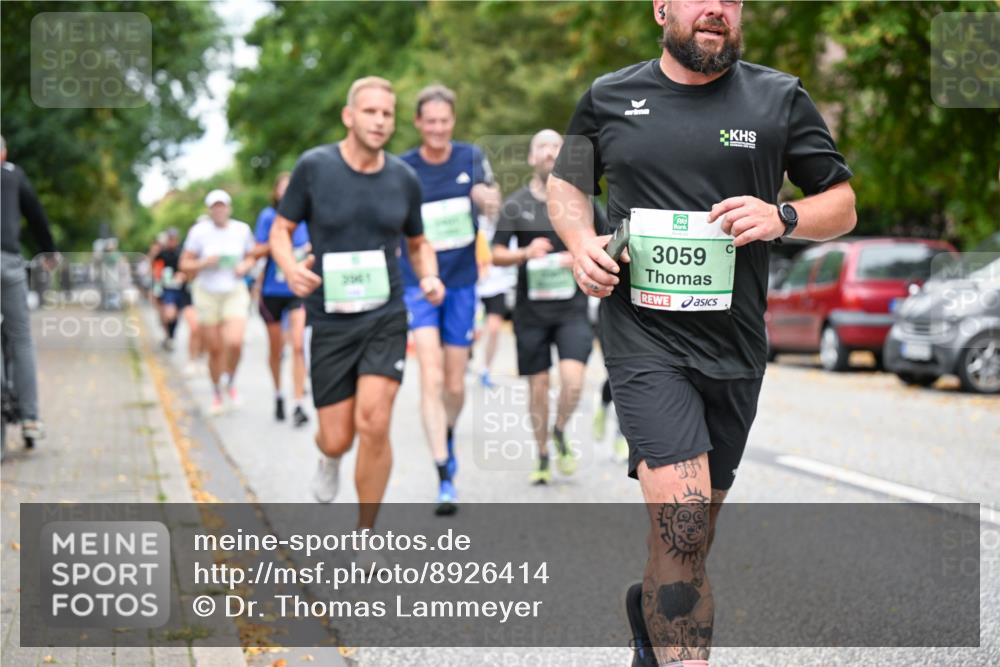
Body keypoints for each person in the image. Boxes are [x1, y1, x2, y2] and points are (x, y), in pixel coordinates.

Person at [547, 2, 857, 665]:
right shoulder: (609, 97)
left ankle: (649, 617)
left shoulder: (779, 99)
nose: (716, 8)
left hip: (736, 346)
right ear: (662, 7)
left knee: (689, 538)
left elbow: (842, 202)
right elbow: (566, 187)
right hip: (644, 338)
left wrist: (783, 214)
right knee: (683, 522)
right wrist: (580, 244)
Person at [270, 76, 444, 537]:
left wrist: (427, 275)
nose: (380, 121)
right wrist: (289, 268)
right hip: (329, 319)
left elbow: (418, 242)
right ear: (349, 116)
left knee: (375, 419)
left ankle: (366, 530)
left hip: (384, 315)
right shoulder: (315, 167)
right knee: (337, 436)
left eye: (387, 113)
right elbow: (281, 231)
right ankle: (328, 457)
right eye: (370, 112)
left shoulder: (403, 178)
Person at [399, 84, 502, 514]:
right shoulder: (403, 168)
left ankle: (448, 432)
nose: (439, 128)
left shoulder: (471, 158)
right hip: (419, 282)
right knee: (432, 376)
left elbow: (494, 205)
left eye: (445, 121)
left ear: (451, 122)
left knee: (456, 385)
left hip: (461, 283)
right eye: (431, 121)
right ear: (419, 123)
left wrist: (488, 200)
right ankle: (444, 473)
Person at [491, 130, 600, 484]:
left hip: (571, 308)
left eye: (557, 146)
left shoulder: (582, 199)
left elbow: (607, 237)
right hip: (531, 313)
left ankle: (559, 429)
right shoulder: (516, 203)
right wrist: (524, 253)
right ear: (531, 158)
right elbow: (495, 253)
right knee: (538, 386)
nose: (550, 152)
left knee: (573, 380)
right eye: (542, 147)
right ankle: (541, 455)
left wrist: (582, 253)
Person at [0, 135, 58, 441]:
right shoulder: (13, 174)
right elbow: (36, 215)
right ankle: (30, 417)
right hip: (8, 263)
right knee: (21, 338)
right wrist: (49, 251)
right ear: (4, 153)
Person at [180, 190, 255, 416]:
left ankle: (229, 380)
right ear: (210, 209)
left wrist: (245, 266)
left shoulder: (241, 230)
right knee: (214, 348)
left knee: (234, 342)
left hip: (234, 290)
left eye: (223, 206)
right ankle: (216, 393)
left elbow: (252, 256)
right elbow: (185, 264)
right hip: (207, 293)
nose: (219, 210)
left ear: (229, 208)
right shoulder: (199, 232)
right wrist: (203, 263)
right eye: (215, 206)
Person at [253, 172, 310, 427]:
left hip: (297, 291)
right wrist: (278, 242)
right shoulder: (268, 217)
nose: (287, 193)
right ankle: (278, 394)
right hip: (272, 292)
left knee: (298, 345)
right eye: (283, 189)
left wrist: (308, 251)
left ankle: (298, 403)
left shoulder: (308, 217)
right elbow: (256, 249)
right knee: (277, 349)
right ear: (275, 192)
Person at [149, 228, 190, 353]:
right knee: (168, 314)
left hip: (181, 289)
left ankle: (170, 337)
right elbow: (155, 270)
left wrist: (183, 275)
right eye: (170, 239)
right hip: (166, 289)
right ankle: (169, 336)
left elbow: (189, 269)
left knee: (175, 316)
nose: (172, 241)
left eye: (174, 239)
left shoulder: (183, 252)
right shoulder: (162, 254)